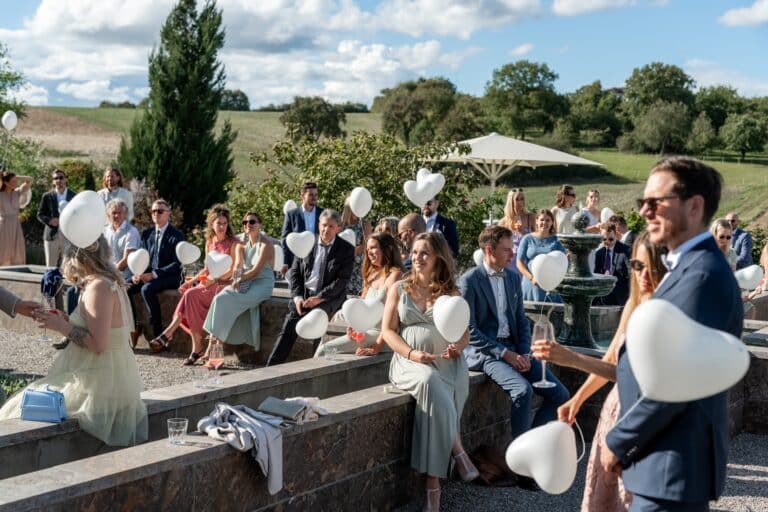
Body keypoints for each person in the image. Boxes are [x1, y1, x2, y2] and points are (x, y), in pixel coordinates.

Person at [603, 157, 742, 511]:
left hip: (673, 463)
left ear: (694, 206)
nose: (645, 212)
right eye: (642, 203)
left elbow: (677, 382)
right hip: (661, 461)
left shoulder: (703, 277)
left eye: (655, 202)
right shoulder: (688, 268)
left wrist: (619, 440)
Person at [533, 230, 667, 511]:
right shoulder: (633, 303)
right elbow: (610, 357)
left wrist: (570, 357)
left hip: (641, 418)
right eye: (637, 266)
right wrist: (577, 400)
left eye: (653, 268)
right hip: (614, 412)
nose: (644, 275)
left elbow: (629, 374)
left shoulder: (665, 313)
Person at [0, 235, 148, 446]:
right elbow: (96, 328)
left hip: (96, 381)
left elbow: (98, 345)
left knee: (17, 407)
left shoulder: (98, 287)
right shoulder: (104, 282)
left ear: (75, 256)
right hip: (101, 374)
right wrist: (64, 320)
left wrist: (61, 326)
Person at [461, 225, 569, 489]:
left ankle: (529, 450)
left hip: (514, 349)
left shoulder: (511, 279)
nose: (513, 255)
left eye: (512, 249)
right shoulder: (469, 281)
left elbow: (521, 320)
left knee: (560, 394)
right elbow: (469, 330)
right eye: (507, 250)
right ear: (489, 250)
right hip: (487, 353)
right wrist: (505, 354)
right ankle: (524, 469)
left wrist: (523, 352)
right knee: (522, 391)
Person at [382, 232, 478, 511]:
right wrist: (412, 353)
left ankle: (432, 489)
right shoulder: (399, 288)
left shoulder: (452, 292)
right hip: (409, 362)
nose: (417, 258)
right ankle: (458, 452)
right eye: (414, 252)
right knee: (429, 381)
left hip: (448, 364)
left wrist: (457, 348)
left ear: (438, 257)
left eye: (424, 253)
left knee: (440, 398)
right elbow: (388, 331)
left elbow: (464, 334)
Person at [150, 205, 238, 361]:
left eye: (225, 223)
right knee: (188, 294)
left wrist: (214, 280)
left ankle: (171, 335)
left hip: (224, 284)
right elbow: (206, 269)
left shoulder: (233, 243)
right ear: (212, 224)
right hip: (208, 283)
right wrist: (191, 281)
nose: (222, 226)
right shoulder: (210, 241)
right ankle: (193, 346)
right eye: (219, 223)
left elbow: (232, 270)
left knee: (190, 295)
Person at [267, 209, 354, 366]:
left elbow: (342, 281)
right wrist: (298, 297)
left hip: (329, 298)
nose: (326, 229)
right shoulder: (307, 242)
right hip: (305, 296)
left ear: (338, 228)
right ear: (318, 224)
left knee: (317, 324)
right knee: (288, 329)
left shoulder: (346, 249)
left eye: (331, 226)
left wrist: (319, 298)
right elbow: (295, 273)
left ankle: (314, 370)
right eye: (324, 225)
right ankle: (269, 369)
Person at [315, 232, 403, 357]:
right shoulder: (371, 275)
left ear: (387, 248)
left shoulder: (395, 276)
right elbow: (360, 307)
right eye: (367, 249)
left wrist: (376, 347)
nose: (369, 252)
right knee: (324, 347)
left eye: (373, 247)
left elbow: (393, 323)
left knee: (324, 351)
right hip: (364, 333)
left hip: (383, 336)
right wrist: (353, 327)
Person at [204, 211, 275, 355]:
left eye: (252, 222)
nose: (248, 225)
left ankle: (214, 352)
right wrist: (235, 279)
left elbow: (255, 271)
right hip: (245, 280)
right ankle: (212, 347)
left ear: (259, 225)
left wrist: (234, 280)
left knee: (228, 301)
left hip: (261, 284)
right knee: (219, 298)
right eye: (245, 222)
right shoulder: (240, 244)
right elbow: (237, 266)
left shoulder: (266, 245)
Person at [127, 199, 185, 347]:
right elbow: (143, 258)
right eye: (153, 211)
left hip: (171, 277)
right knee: (125, 286)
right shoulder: (147, 234)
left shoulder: (177, 235)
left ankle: (158, 333)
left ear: (168, 214)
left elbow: (177, 264)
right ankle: (133, 328)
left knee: (147, 289)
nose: (156, 214)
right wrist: (138, 273)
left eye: (160, 211)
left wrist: (154, 274)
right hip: (149, 274)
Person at [516, 209, 566, 302]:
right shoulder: (527, 239)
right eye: (542, 220)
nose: (544, 223)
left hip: (550, 283)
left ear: (552, 222)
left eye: (548, 220)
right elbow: (519, 263)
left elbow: (562, 261)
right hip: (530, 282)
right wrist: (532, 278)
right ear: (537, 221)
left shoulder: (557, 240)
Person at [280, 182, 324, 276]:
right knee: (297, 289)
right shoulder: (292, 214)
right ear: (302, 195)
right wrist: (285, 261)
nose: (314, 197)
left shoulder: (323, 213)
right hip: (296, 260)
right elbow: (285, 239)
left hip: (318, 259)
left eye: (316, 195)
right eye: (311, 195)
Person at [37, 169, 76, 268]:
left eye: (61, 177)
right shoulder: (47, 196)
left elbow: (78, 215)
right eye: (56, 178)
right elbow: (40, 214)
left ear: (66, 179)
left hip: (69, 237)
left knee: (69, 267)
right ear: (53, 181)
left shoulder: (74, 196)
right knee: (50, 267)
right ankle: (50, 284)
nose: (58, 180)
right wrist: (49, 220)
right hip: (51, 236)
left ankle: (68, 284)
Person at [498, 188, 536, 273]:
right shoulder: (503, 222)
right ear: (511, 202)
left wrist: (523, 232)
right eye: (517, 199)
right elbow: (499, 245)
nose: (520, 202)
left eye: (522, 199)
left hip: (527, 260)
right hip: (510, 262)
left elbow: (537, 240)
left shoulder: (531, 217)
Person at [340, 196, 372, 295]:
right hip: (343, 268)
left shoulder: (365, 225)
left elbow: (367, 245)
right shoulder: (340, 225)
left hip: (359, 267)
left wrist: (350, 252)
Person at [594, 224, 631, 306]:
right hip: (605, 296)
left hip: (622, 296)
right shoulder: (599, 253)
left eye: (611, 239)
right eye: (604, 239)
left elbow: (631, 273)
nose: (607, 242)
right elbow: (597, 274)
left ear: (616, 235)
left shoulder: (625, 250)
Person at [103, 199, 140, 282]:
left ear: (125, 214)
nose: (116, 215)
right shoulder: (104, 231)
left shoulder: (131, 231)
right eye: (114, 213)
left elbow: (126, 260)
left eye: (119, 213)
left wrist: (109, 274)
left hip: (126, 277)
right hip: (107, 274)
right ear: (108, 215)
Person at [0, 170, 32, 266]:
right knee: (3, 249)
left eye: (15, 181)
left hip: (15, 224)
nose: (15, 183)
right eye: (13, 181)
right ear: (6, 182)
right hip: (3, 224)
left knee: (17, 249)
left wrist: (15, 177)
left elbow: (30, 180)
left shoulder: (17, 192)